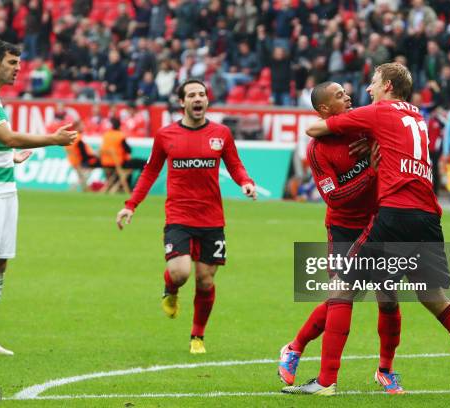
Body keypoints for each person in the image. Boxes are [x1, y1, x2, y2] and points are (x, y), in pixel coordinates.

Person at [289, 63, 450, 396]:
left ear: (388, 86)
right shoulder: (417, 117)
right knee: (433, 297)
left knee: (342, 287)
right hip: (428, 215)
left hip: (395, 214)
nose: (367, 90)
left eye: (373, 83)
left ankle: (325, 381)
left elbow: (316, 129)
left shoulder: (380, 112)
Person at [277, 81, 404, 395]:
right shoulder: (318, 150)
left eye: (346, 93)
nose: (347, 97)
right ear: (324, 110)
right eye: (339, 96)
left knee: (388, 298)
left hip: (379, 223)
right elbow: (335, 198)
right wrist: (371, 172)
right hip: (344, 229)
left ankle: (386, 370)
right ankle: (296, 349)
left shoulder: (363, 128)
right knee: (343, 296)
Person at [116, 79, 256, 354]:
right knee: (180, 273)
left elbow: (235, 164)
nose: (197, 98)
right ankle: (171, 290)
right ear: (182, 103)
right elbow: (150, 172)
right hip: (179, 215)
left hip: (212, 219)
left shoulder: (221, 133)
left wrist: (245, 182)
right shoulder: (166, 135)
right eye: (191, 95)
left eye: (202, 94)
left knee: (205, 280)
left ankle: (197, 336)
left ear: (206, 100)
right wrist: (130, 205)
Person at [0, 40, 76, 357]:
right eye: (12, 62)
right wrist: (53, 139)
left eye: (18, 63)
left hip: (5, 186)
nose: (18, 69)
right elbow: (7, 137)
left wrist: (10, 159)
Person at [100, 117, 146, 190]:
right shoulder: (120, 136)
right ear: (119, 126)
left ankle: (123, 186)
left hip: (106, 164)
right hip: (118, 163)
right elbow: (128, 150)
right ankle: (136, 187)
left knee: (130, 165)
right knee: (145, 164)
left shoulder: (106, 135)